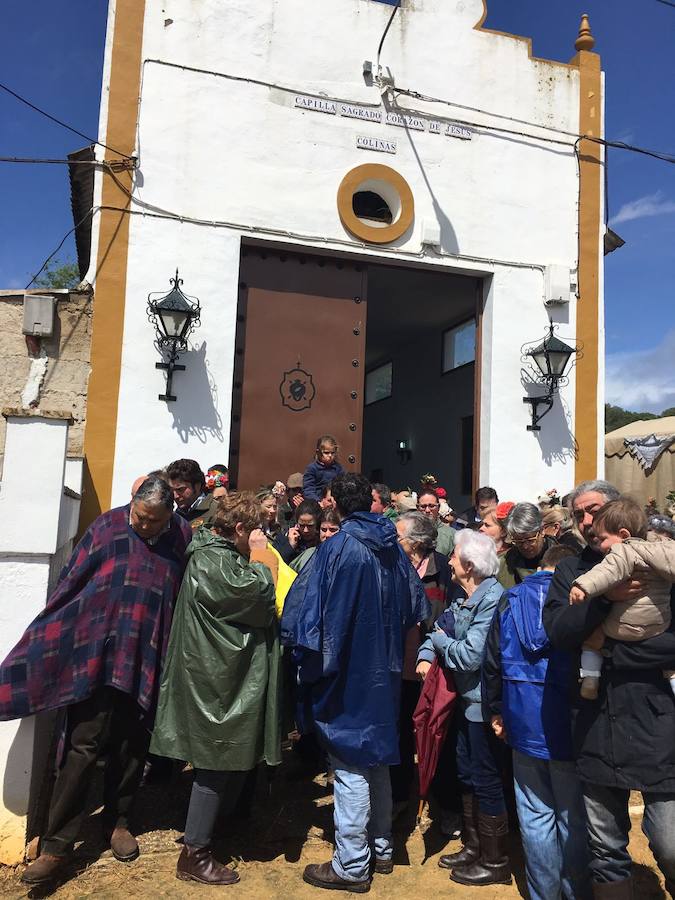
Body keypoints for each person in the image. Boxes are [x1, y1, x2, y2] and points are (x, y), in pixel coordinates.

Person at [0, 477, 192, 885]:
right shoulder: (106, 528)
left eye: (153, 522)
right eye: (140, 517)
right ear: (131, 503)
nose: (144, 526)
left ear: (169, 516)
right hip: (98, 656)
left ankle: (119, 823)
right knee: (83, 747)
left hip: (147, 656)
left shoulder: (180, 537)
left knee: (132, 744)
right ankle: (56, 845)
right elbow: (71, 585)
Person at [281, 473, 428, 892]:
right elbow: (414, 604)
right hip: (382, 670)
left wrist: (302, 659)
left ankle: (351, 863)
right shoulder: (393, 549)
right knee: (376, 758)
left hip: (346, 670)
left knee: (348, 764)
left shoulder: (338, 548)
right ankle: (381, 848)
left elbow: (308, 613)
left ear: (337, 506)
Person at [543, 479, 675, 897]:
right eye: (579, 512)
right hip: (593, 720)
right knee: (605, 847)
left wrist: (603, 646)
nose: (586, 520)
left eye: (594, 509)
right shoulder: (569, 570)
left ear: (617, 511)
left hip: (654, 717)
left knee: (671, 840)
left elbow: (671, 641)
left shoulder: (656, 562)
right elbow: (558, 631)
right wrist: (604, 599)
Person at [150, 493, 281, 885]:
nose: (260, 537)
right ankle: (195, 853)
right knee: (214, 760)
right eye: (255, 531)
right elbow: (258, 597)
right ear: (239, 529)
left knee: (221, 760)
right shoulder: (213, 560)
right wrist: (263, 559)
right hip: (213, 677)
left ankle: (213, 833)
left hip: (214, 670)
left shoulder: (213, 554)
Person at [483, 544, 591, 900]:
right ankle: (576, 893)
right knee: (572, 816)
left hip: (522, 718)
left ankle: (544, 894)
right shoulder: (576, 601)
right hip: (568, 720)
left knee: (534, 815)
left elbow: (493, 660)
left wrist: (497, 710)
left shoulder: (510, 599)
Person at [416, 530, 510, 887]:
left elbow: (470, 655)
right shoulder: (465, 596)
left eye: (454, 556)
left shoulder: (491, 600)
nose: (449, 560)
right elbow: (439, 629)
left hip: (482, 705)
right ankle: (474, 847)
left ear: (468, 565)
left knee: (486, 780)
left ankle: (495, 859)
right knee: (469, 775)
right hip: (464, 703)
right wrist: (430, 650)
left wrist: (439, 642)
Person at [568, 498, 675, 699]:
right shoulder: (664, 549)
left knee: (592, 641)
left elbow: (605, 572)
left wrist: (582, 586)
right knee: (669, 666)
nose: (600, 545)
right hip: (660, 625)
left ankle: (591, 679)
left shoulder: (623, 550)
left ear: (624, 535)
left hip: (624, 628)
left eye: (603, 539)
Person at [395, 511, 458, 827]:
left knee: (440, 736)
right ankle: (398, 798)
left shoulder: (444, 569)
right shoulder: (395, 566)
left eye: (399, 536)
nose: (395, 542)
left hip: (435, 667)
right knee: (401, 735)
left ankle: (445, 804)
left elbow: (451, 616)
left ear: (417, 542)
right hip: (401, 666)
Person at [497, 502, 557, 589]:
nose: (525, 546)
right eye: (518, 541)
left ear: (542, 531)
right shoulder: (503, 564)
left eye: (530, 540)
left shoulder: (561, 559)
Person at [291, 507, 341, 573]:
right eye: (324, 530)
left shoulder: (347, 556)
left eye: (332, 530)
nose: (327, 535)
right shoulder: (307, 556)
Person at [167, 458, 216, 525]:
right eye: (172, 490)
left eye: (180, 489)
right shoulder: (174, 516)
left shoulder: (216, 511)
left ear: (197, 486)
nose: (175, 496)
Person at [274, 499, 322, 565]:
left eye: (310, 526)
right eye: (302, 525)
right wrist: (290, 546)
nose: (306, 530)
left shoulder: (323, 538)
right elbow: (276, 564)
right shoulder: (283, 537)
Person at [302, 434, 345, 501]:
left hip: (335, 501)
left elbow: (343, 485)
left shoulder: (338, 468)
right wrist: (319, 502)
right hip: (317, 503)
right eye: (326, 453)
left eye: (332, 453)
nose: (330, 455)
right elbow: (308, 489)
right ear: (318, 452)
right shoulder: (312, 468)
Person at [417, 488, 455, 556]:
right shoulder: (410, 532)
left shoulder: (452, 535)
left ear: (438, 507)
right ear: (417, 508)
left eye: (431, 506)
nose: (427, 510)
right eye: (423, 506)